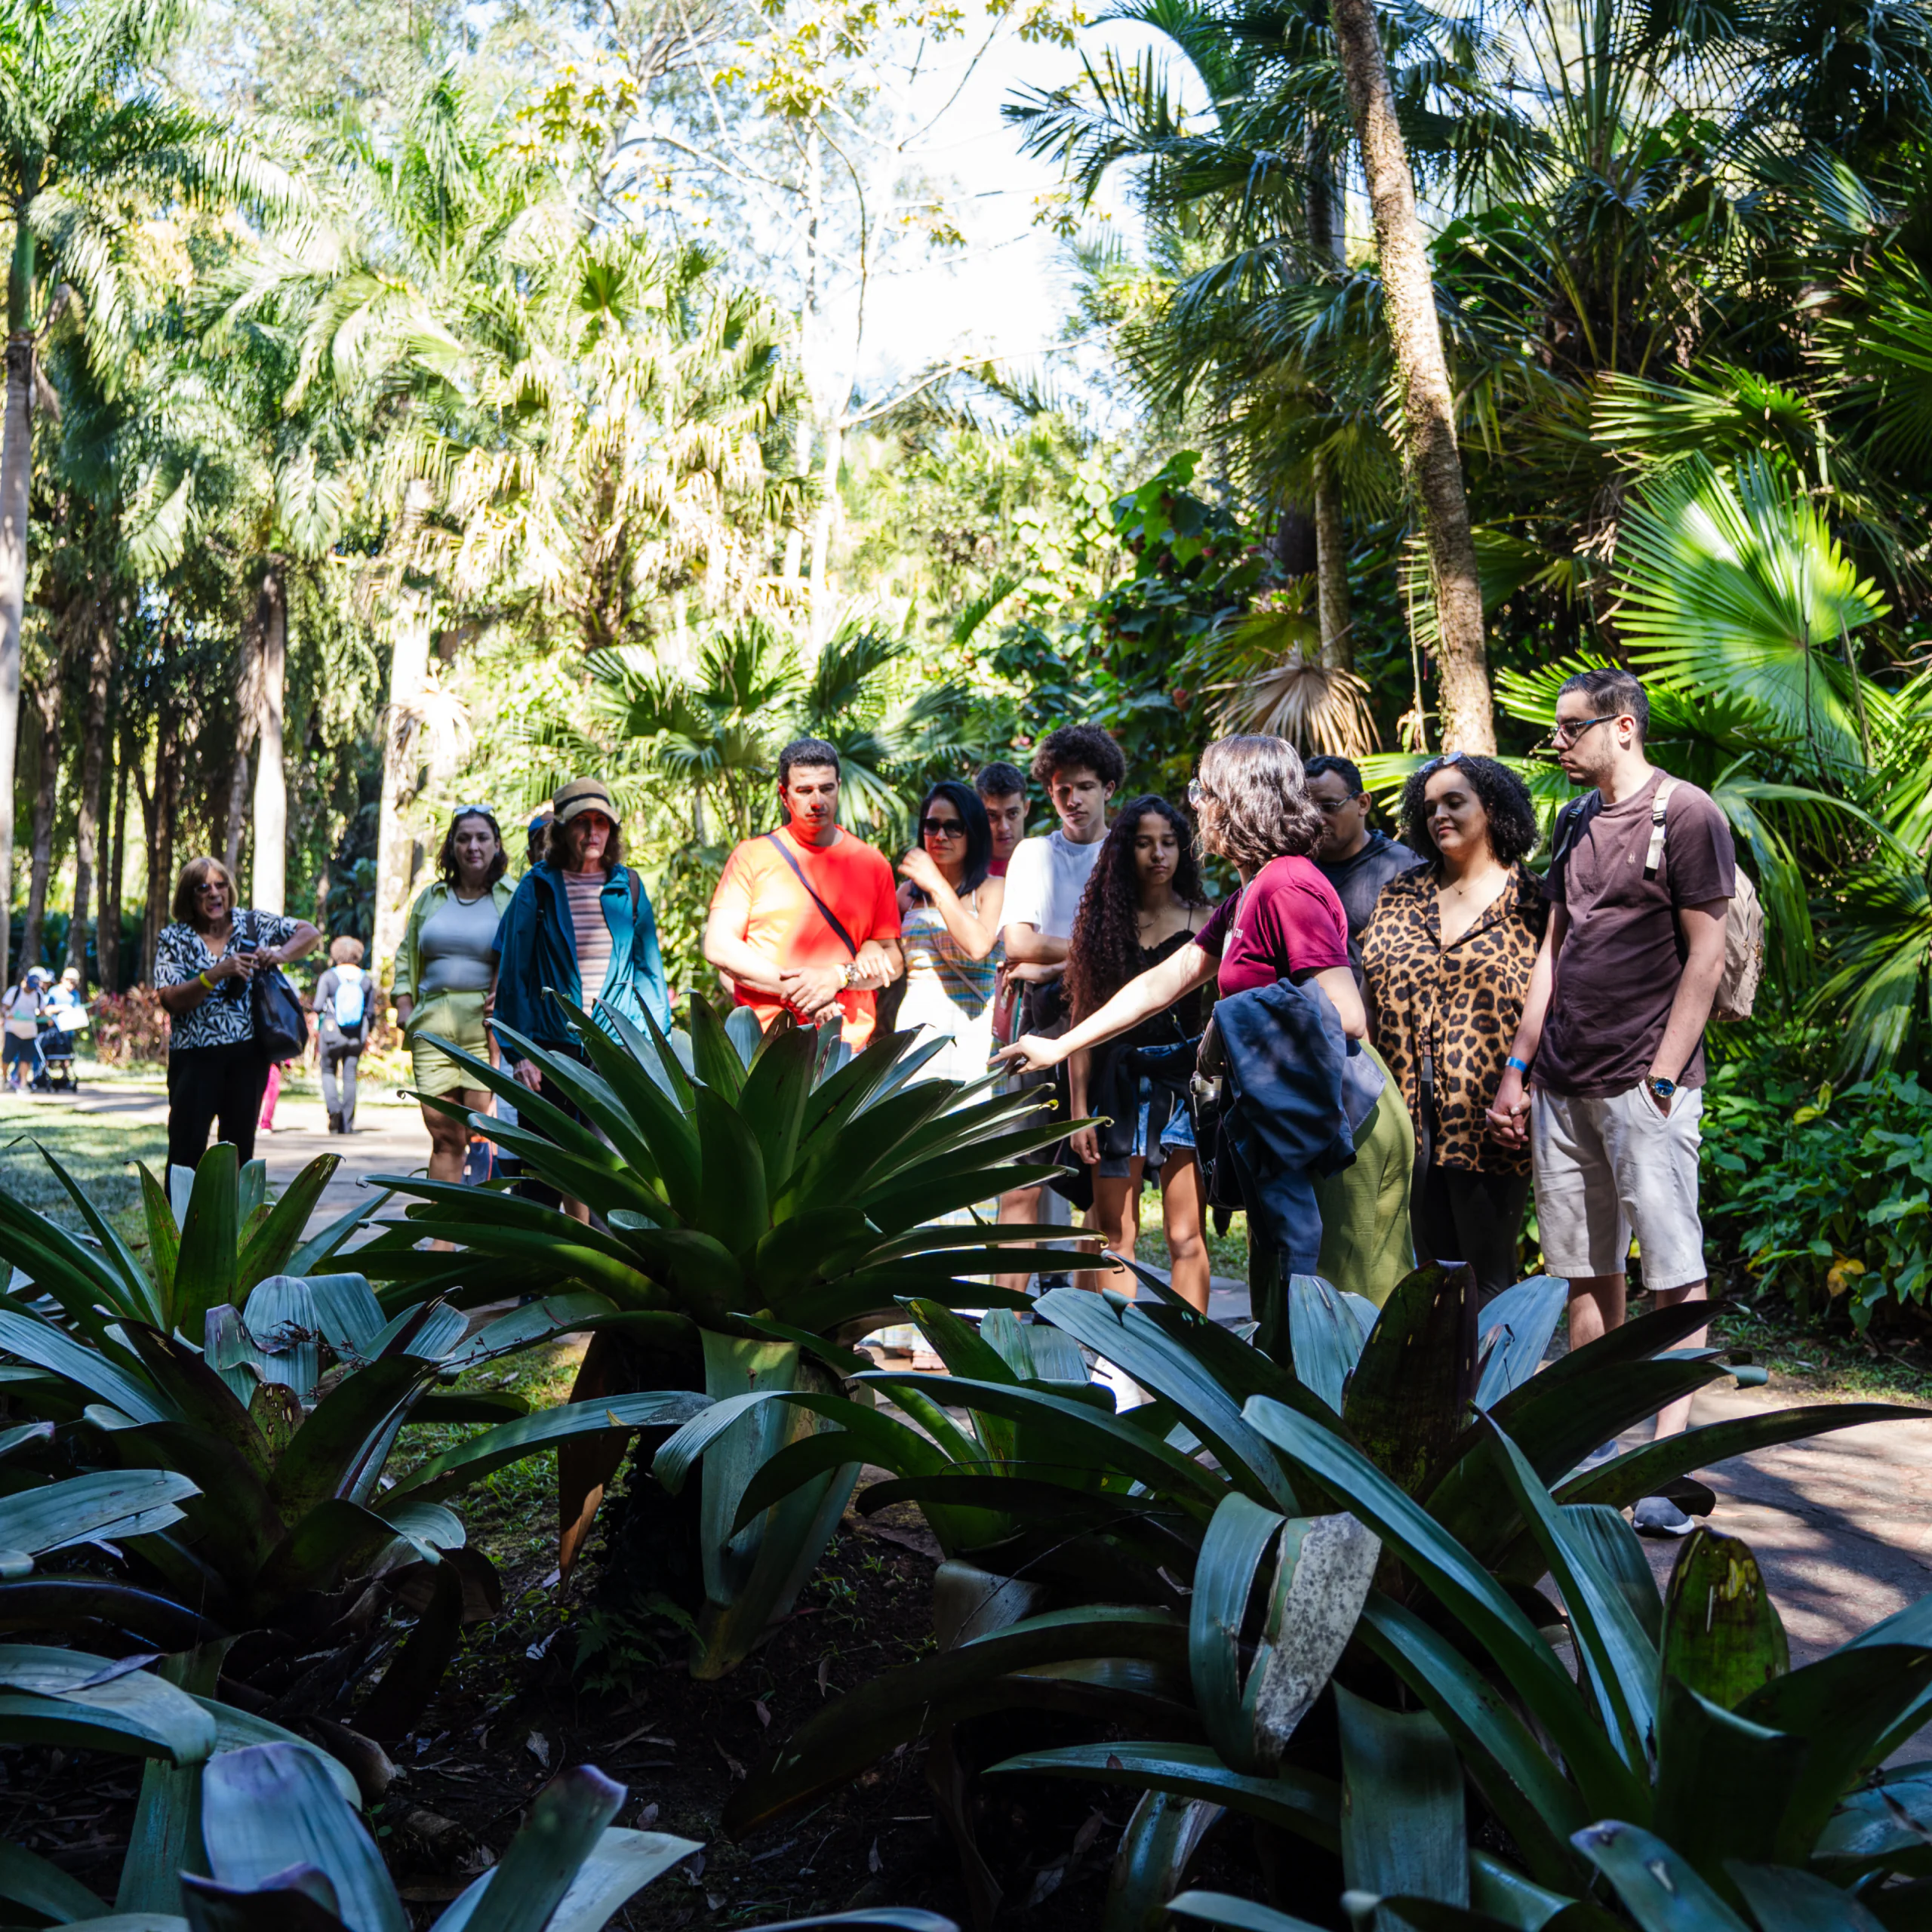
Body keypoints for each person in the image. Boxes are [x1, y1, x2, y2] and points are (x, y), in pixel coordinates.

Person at [999, 735, 1416, 1318]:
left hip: (1341, 1116)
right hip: (1300, 1116)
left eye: (1204, 792)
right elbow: (1164, 983)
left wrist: (1225, 1031)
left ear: (1239, 803)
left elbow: (1347, 1014)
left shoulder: (1287, 884)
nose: (1196, 804)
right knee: (1292, 1303)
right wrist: (1059, 1045)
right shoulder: (1251, 892)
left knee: (1344, 1309)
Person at [1487, 666, 1735, 1539]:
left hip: (1645, 1084)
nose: (1557, 743)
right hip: (1562, 1079)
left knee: (1672, 1272)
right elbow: (1552, 952)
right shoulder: (1572, 820)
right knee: (1586, 1271)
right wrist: (1519, 1067)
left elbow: (1705, 955)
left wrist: (1664, 1076)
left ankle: (1666, 1463)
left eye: (1569, 728)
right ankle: (1600, 1453)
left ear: (1620, 726)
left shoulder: (1689, 814)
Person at [1361, 754, 1546, 1300]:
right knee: (1426, 1281)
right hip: (1403, 1119)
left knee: (1489, 1281)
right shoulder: (1399, 895)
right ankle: (1437, 1387)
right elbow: (1368, 997)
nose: (1439, 814)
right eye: (1430, 807)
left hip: (1491, 1119)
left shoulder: (1534, 901)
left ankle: (1491, 1387)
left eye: (1454, 802)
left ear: (1492, 809)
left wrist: (1534, 1090)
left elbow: (1559, 1007)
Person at [1063, 795, 1214, 1312]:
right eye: (1145, 843)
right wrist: (1078, 1111)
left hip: (1183, 1088)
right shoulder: (1104, 925)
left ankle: (1193, 1363)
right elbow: (1082, 1024)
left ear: (1183, 850)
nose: (1158, 854)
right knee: (1114, 1235)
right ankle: (1118, 1365)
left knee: (1185, 1235)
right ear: (1125, 850)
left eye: (1169, 843)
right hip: (1116, 1088)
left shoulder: (1206, 920)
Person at [494, 780, 670, 1218]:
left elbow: (649, 972)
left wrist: (652, 1048)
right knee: (544, 1170)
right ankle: (539, 1281)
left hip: (614, 1049)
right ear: (561, 830)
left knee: (612, 1170)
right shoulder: (537, 887)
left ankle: (612, 1279)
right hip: (551, 1049)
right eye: (581, 823)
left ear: (612, 830)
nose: (592, 833)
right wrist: (520, 1054)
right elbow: (514, 975)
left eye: (601, 823)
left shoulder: (627, 887)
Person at [994, 724, 1126, 1294]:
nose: (1072, 799)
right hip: (1040, 1022)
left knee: (1102, 1189)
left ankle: (1092, 1334)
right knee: (1021, 1183)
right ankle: (1002, 1325)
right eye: (1060, 788)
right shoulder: (1032, 853)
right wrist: (1083, 958)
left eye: (1085, 786)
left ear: (1109, 789)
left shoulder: (1127, 852)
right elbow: (1017, 945)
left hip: (1111, 1023)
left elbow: (1136, 951)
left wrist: (1060, 962)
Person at [703, 738, 902, 1048]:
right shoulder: (752, 856)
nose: (817, 801)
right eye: (805, 790)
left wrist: (838, 977)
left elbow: (892, 958)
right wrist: (808, 992)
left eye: (826, 788)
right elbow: (719, 947)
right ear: (785, 795)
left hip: (846, 1043)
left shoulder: (873, 863)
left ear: (839, 786)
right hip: (763, 1041)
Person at [153, 857, 321, 1173]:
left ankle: (234, 1222)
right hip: (194, 1057)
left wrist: (278, 955)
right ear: (189, 896)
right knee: (184, 1155)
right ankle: (177, 1223)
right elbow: (170, 999)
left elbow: (309, 933)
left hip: (247, 1056)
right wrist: (215, 974)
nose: (215, 894)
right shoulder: (174, 938)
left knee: (238, 1154)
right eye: (203, 888)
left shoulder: (252, 923)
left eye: (220, 885)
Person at [395, 809, 515, 1181]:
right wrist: (404, 1006)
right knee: (445, 1138)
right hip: (431, 1025)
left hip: (483, 1028)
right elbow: (406, 954)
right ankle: (442, 1238)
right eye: (463, 838)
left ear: (496, 845)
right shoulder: (432, 898)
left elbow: (523, 956)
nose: (473, 846)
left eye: (482, 838)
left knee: (478, 1133)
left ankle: (478, 1226)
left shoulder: (512, 896)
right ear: (452, 846)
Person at [895, 780, 1004, 1083]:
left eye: (953, 827)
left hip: (975, 1035)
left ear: (973, 831)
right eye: (932, 825)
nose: (940, 836)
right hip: (916, 1030)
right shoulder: (907, 894)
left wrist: (935, 883)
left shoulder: (992, 889)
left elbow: (979, 945)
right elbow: (888, 955)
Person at [312, 936, 373, 1135]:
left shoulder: (329, 977)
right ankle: (347, 1124)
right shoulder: (365, 979)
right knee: (349, 1076)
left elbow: (317, 1005)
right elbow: (371, 1012)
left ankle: (334, 1110)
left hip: (331, 1032)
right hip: (356, 1034)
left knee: (328, 1071)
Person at [975, 762, 1028, 878]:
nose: (1004, 828)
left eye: (1012, 814)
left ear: (1026, 808)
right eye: (992, 816)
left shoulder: (1047, 863)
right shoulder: (966, 869)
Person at [2, 969, 43, 1094]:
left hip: (30, 1032)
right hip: (13, 1030)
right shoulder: (14, 992)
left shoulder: (38, 994)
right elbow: (4, 1007)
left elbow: (42, 1011)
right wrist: (5, 1015)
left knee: (26, 1059)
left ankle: (23, 1083)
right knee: (7, 1058)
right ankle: (3, 1079)